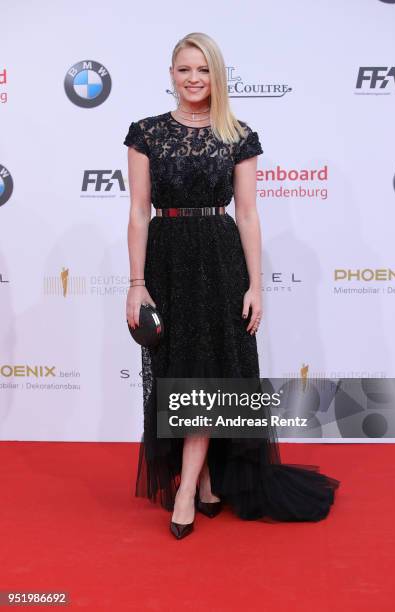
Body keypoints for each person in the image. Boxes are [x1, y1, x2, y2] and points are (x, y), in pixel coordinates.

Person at [124, 32, 340, 540]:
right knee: (178, 370)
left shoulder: (238, 134)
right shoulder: (146, 132)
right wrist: (136, 283)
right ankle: (204, 484)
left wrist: (256, 285)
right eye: (183, 69)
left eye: (202, 69)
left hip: (220, 262)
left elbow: (246, 213)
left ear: (216, 74)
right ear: (171, 74)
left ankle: (186, 490)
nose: (193, 78)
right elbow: (137, 211)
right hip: (167, 259)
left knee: (210, 369)